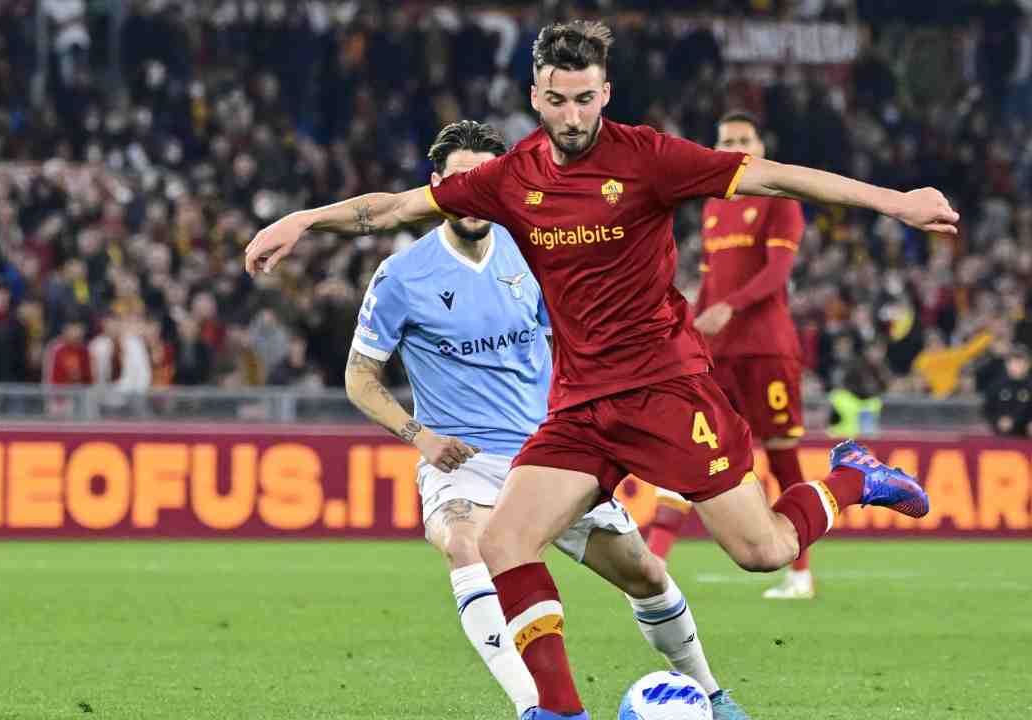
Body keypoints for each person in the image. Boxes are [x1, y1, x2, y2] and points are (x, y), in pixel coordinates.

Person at [246, 21, 955, 720]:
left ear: (606, 92)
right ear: (535, 96)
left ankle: (854, 476)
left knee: (761, 549)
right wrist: (303, 219)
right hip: (582, 404)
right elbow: (397, 207)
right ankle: (560, 712)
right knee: (503, 542)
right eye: (558, 100)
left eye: (585, 99)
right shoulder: (510, 176)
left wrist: (894, 202)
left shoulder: (649, 158)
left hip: (667, 389)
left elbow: (770, 177)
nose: (573, 115)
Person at [343, 120, 747, 720]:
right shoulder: (402, 277)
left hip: (553, 450)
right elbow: (359, 377)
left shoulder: (536, 248)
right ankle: (540, 708)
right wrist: (420, 437)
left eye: (483, 178)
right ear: (439, 187)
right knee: (464, 542)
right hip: (466, 461)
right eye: (461, 181)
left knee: (645, 573)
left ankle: (712, 694)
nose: (474, 191)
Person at [644, 111, 816, 600]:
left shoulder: (780, 201)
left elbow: (776, 274)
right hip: (718, 353)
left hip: (767, 350)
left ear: (761, 145)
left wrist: (727, 307)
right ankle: (654, 558)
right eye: (727, 141)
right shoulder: (715, 206)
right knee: (689, 447)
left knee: (782, 457)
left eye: (745, 138)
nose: (737, 146)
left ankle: (800, 571)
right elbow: (710, 283)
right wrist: (685, 327)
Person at [983, 345, 1032, 438]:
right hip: (1001, 438)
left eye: (1021, 361)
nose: (1018, 365)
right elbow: (987, 410)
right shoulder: (997, 386)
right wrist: (997, 420)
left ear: (1027, 365)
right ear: (1007, 364)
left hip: (1027, 438)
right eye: (1014, 361)